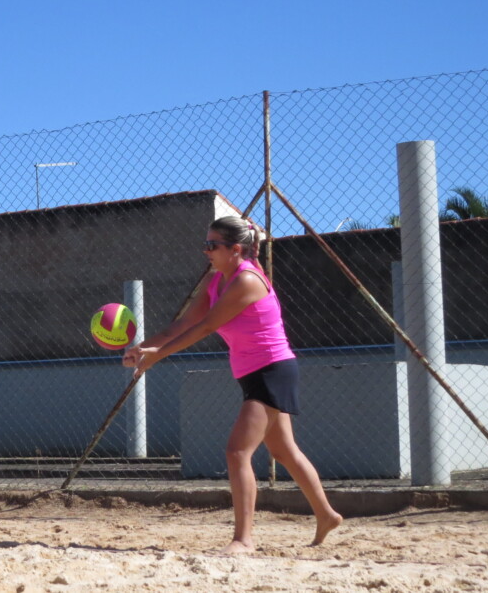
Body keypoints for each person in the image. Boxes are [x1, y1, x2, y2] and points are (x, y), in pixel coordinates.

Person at [122, 216, 342, 554]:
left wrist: (158, 356)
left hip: (272, 371)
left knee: (237, 451)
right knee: (284, 451)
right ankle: (326, 515)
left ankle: (243, 540)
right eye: (206, 244)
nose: (206, 250)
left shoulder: (247, 280)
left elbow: (207, 327)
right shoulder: (216, 280)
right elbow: (184, 324)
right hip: (255, 372)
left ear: (235, 249)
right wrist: (142, 349)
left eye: (212, 245)